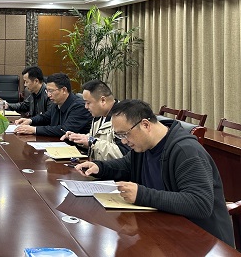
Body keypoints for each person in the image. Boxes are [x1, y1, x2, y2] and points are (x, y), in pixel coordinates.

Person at [75, 99, 235, 247]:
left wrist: (142, 195)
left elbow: (200, 204)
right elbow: (126, 166)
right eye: (119, 136)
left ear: (145, 125)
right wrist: (100, 167)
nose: (123, 141)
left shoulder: (186, 151)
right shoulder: (143, 146)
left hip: (203, 242)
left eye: (125, 134)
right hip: (166, 229)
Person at [61, 79, 129, 161]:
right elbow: (95, 140)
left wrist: (92, 141)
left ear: (103, 100)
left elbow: (124, 153)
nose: (86, 107)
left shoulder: (122, 118)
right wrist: (77, 138)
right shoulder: (98, 116)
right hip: (96, 166)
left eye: (88, 103)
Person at [14, 72, 91, 136]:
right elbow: (45, 117)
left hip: (75, 148)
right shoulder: (56, 103)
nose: (48, 95)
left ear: (64, 90)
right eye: (47, 91)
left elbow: (65, 130)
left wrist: (34, 130)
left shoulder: (80, 106)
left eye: (51, 91)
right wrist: (30, 120)